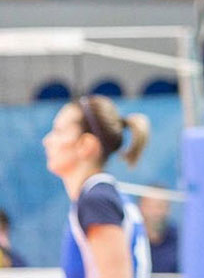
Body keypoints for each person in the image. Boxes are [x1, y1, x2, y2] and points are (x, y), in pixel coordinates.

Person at [42, 95, 152, 278]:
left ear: (86, 145)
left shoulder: (96, 201)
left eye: (58, 131)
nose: (47, 140)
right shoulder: (101, 195)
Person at [138, 191, 179, 273]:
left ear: (168, 209)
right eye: (150, 207)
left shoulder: (179, 240)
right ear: (140, 207)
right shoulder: (130, 238)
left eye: (160, 206)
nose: (155, 212)